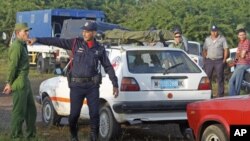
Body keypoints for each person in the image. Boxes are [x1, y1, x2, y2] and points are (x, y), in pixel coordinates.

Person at [28, 21, 119, 141]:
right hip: (77, 86)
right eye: (83, 31)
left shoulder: (99, 49)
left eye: (87, 31)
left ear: (94, 33)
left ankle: (93, 137)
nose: (84, 33)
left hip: (92, 86)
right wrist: (37, 39)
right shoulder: (75, 43)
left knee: (95, 114)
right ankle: (73, 135)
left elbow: (108, 67)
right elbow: (56, 41)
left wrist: (115, 84)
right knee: (74, 115)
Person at [2, 23, 37, 139]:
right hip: (19, 81)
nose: (27, 33)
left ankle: (31, 135)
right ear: (18, 33)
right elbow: (13, 66)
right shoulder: (16, 46)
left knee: (31, 110)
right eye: (25, 31)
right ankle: (16, 136)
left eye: (28, 31)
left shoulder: (22, 45)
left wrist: (27, 42)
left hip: (25, 81)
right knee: (19, 112)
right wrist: (9, 82)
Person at [203, 25, 229, 97]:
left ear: (217, 31)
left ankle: (220, 95)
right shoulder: (207, 39)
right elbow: (204, 49)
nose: (214, 33)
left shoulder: (222, 39)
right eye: (212, 31)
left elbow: (226, 49)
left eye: (215, 31)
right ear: (210, 32)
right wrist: (205, 58)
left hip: (219, 61)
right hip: (209, 61)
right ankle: (209, 94)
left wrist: (224, 59)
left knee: (220, 77)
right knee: (208, 78)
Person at [228, 29, 250, 96]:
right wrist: (233, 63)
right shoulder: (240, 43)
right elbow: (238, 55)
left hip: (244, 64)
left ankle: (234, 98)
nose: (242, 36)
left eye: (243, 34)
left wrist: (239, 53)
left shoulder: (247, 42)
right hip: (238, 64)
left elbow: (242, 56)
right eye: (240, 35)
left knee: (235, 83)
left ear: (245, 35)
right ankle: (234, 97)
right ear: (238, 36)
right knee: (233, 82)